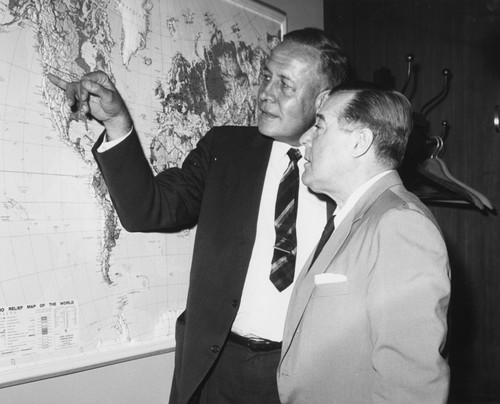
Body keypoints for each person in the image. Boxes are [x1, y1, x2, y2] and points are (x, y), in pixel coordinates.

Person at [48, 28, 348, 404]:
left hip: (301, 373)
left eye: (284, 85)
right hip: (215, 368)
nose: (265, 93)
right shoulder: (225, 149)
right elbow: (147, 210)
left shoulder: (349, 170)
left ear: (323, 100)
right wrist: (116, 122)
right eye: (265, 77)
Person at [277, 83, 451, 403]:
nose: (304, 139)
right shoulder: (353, 217)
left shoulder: (400, 224)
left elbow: (412, 384)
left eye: (319, 125)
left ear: (360, 141)